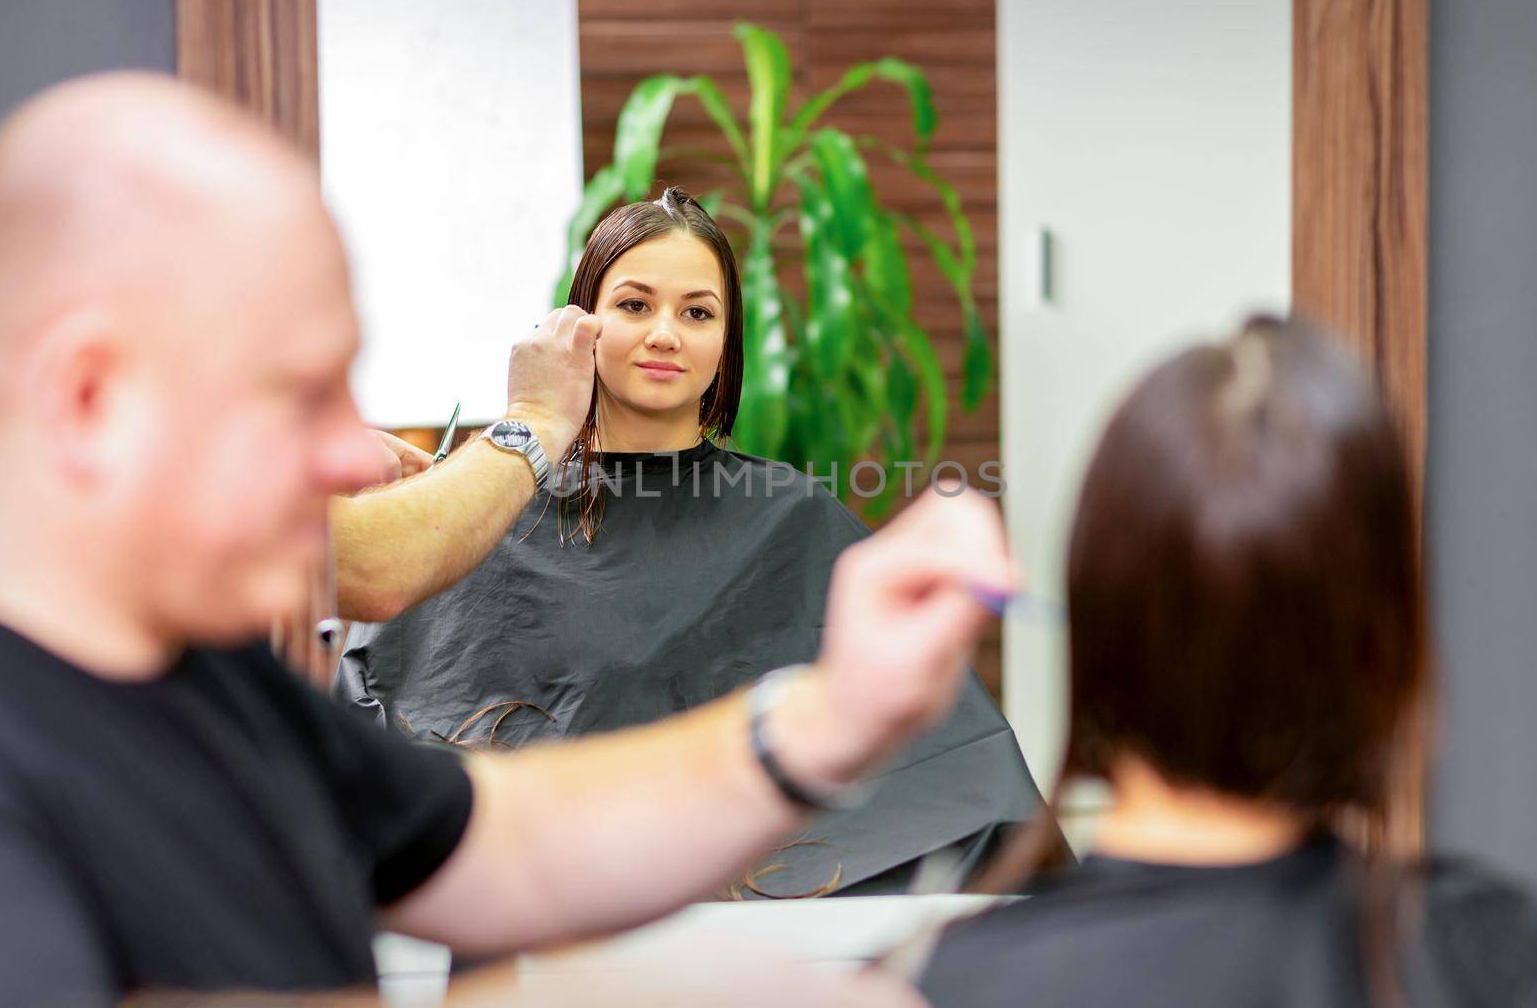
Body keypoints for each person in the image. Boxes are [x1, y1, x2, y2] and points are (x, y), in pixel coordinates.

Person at [0, 73, 1013, 1007]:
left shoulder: (224, 691)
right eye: (298, 393)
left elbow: (502, 840)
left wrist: (824, 719)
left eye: (697, 312)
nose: (358, 453)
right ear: (88, 399)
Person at [335, 188, 1045, 897]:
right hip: (524, 900)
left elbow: (955, 765)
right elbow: (372, 717)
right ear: (580, 327)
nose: (666, 333)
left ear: (725, 343)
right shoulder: (488, 505)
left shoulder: (793, 519)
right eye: (635, 305)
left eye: (697, 312)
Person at [915, 317, 1537, 1007]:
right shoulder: (1495, 960)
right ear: (1387, 647)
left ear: (1097, 628)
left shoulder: (951, 985)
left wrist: (811, 747)